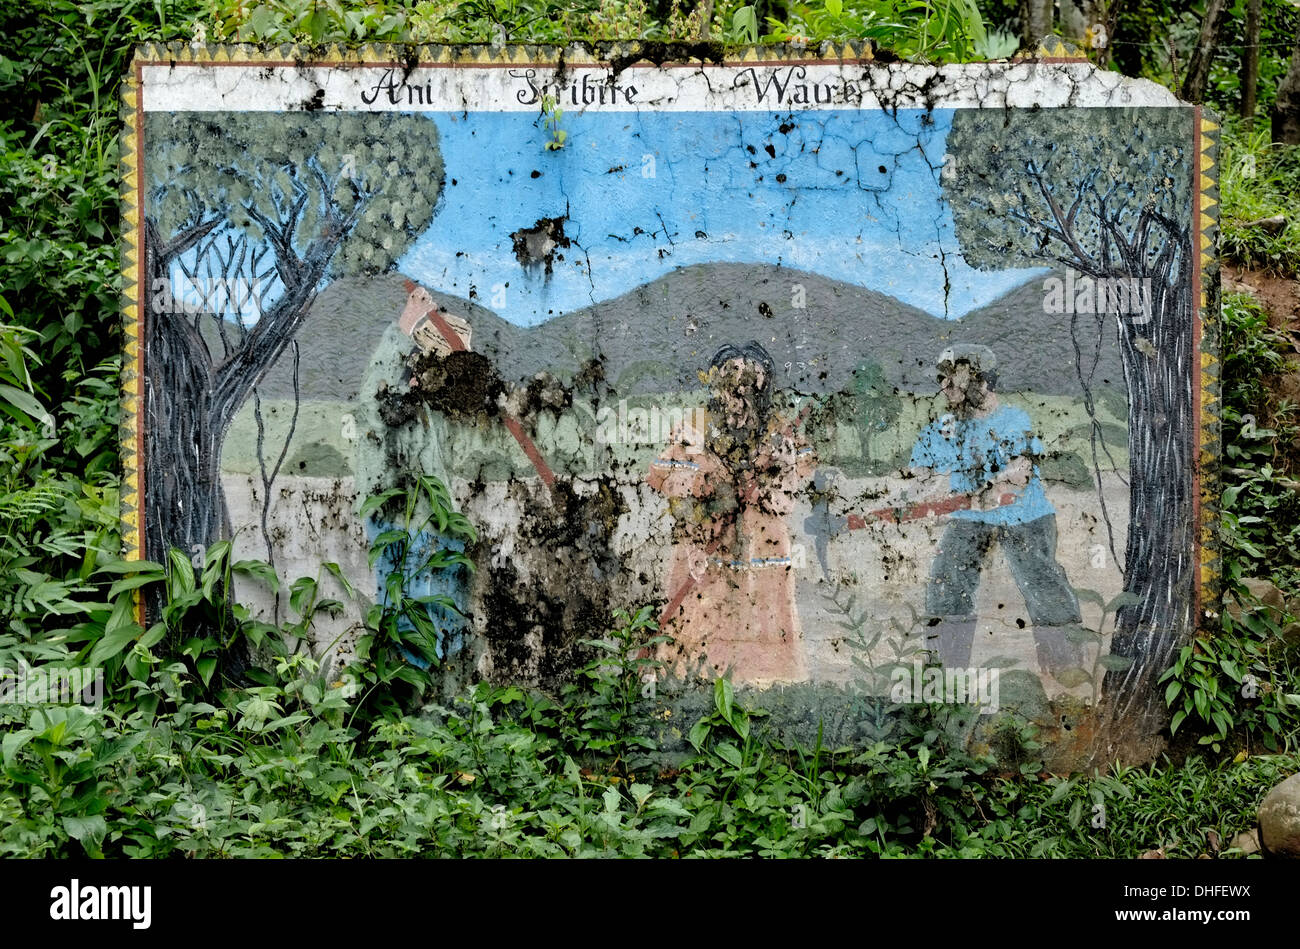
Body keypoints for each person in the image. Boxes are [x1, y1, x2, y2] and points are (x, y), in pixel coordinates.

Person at [906, 344, 1084, 679]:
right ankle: (944, 672)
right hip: (970, 517)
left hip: (1024, 516)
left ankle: (1066, 664)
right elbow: (919, 477)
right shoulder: (945, 426)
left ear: (983, 383)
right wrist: (926, 488)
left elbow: (1020, 473)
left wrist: (992, 487)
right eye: (942, 379)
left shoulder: (1014, 419)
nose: (946, 387)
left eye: (955, 379)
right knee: (946, 580)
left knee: (1040, 578)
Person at [647, 341, 814, 685]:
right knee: (700, 620)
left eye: (750, 376)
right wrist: (706, 489)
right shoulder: (696, 426)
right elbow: (665, 477)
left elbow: (790, 488)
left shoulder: (779, 431)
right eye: (731, 375)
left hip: (763, 546)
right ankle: (691, 685)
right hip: (706, 543)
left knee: (763, 617)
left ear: (764, 385)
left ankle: (767, 685)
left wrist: (768, 479)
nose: (740, 384)